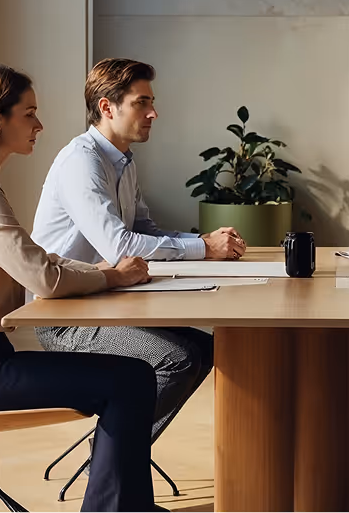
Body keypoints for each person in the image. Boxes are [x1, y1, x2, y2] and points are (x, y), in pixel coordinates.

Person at [0, 65, 161, 512]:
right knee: (129, 380)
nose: (39, 125)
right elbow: (44, 279)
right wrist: (111, 275)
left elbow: (39, 258)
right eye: (29, 114)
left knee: (130, 378)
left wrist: (108, 271)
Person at [31, 58, 245, 446]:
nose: (153, 113)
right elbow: (120, 248)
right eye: (141, 102)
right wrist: (203, 249)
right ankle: (108, 462)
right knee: (177, 360)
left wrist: (206, 242)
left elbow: (144, 230)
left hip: (101, 300)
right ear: (107, 107)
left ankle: (117, 460)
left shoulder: (121, 160)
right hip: (64, 314)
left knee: (206, 350)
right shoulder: (83, 162)